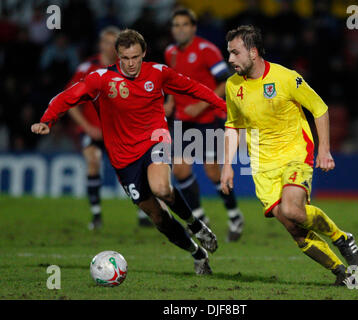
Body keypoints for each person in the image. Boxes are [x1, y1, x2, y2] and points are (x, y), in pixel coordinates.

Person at [31, 29, 225, 275]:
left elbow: (194, 88)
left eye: (135, 57)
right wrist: (47, 120)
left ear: (144, 53)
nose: (131, 63)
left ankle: (196, 225)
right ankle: (198, 253)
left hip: (155, 139)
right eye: (125, 58)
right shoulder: (100, 78)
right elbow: (67, 97)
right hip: (123, 157)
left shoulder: (158, 72)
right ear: (118, 56)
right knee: (157, 217)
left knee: (161, 188)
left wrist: (224, 105)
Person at [220, 25, 358, 285]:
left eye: (235, 53)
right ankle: (342, 273)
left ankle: (341, 237)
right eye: (229, 53)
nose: (230, 59)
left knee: (293, 209)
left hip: (295, 154)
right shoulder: (232, 85)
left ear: (253, 52)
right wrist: (227, 166)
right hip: (262, 167)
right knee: (294, 228)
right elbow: (233, 125)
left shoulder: (286, 78)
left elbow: (319, 108)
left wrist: (324, 149)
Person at [163, 8, 244, 242]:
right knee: (179, 169)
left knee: (212, 171)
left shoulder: (206, 50)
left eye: (184, 25)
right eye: (176, 25)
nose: (180, 29)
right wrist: (169, 101)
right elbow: (171, 82)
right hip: (182, 119)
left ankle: (234, 215)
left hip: (208, 118)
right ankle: (200, 218)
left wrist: (200, 105)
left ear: (193, 27)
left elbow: (225, 81)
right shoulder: (170, 52)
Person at [66, 26, 151, 230]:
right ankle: (96, 215)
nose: (109, 46)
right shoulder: (87, 68)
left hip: (121, 132)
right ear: (100, 44)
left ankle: (143, 212)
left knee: (137, 170)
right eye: (105, 42)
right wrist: (87, 127)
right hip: (94, 131)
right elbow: (70, 102)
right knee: (93, 161)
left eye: (113, 43)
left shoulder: (129, 67)